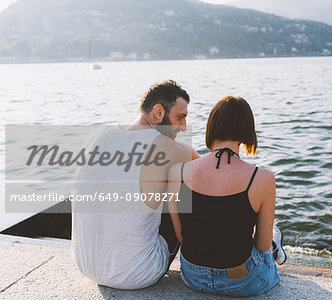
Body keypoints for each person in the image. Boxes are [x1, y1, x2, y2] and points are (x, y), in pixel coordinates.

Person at [72, 80, 198, 289]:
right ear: (158, 111)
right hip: (138, 272)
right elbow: (213, 174)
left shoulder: (98, 135)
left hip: (86, 265)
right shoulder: (172, 148)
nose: (183, 127)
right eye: (180, 117)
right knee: (184, 183)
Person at [167, 96, 286, 297]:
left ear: (211, 127)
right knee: (268, 249)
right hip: (242, 281)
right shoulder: (262, 178)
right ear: (248, 131)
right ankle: (278, 244)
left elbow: (180, 236)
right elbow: (261, 245)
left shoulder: (177, 171)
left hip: (192, 276)